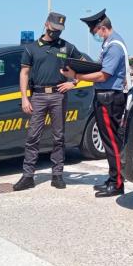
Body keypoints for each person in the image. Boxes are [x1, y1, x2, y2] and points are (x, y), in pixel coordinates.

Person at [63, 8, 130, 198]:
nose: (94, 36)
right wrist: (75, 79)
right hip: (104, 97)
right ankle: (113, 178)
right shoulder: (108, 44)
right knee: (108, 140)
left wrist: (76, 75)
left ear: (102, 28)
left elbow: (103, 75)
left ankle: (117, 183)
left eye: (94, 32)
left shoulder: (114, 46)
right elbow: (96, 67)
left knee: (112, 142)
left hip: (110, 98)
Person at [13, 11, 84, 191]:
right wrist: (24, 97)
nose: (56, 34)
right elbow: (24, 73)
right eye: (53, 30)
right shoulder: (31, 48)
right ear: (46, 25)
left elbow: (84, 65)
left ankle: (57, 174)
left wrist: (73, 82)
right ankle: (28, 175)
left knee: (58, 136)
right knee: (32, 136)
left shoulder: (66, 47)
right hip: (37, 96)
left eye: (59, 31)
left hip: (58, 95)